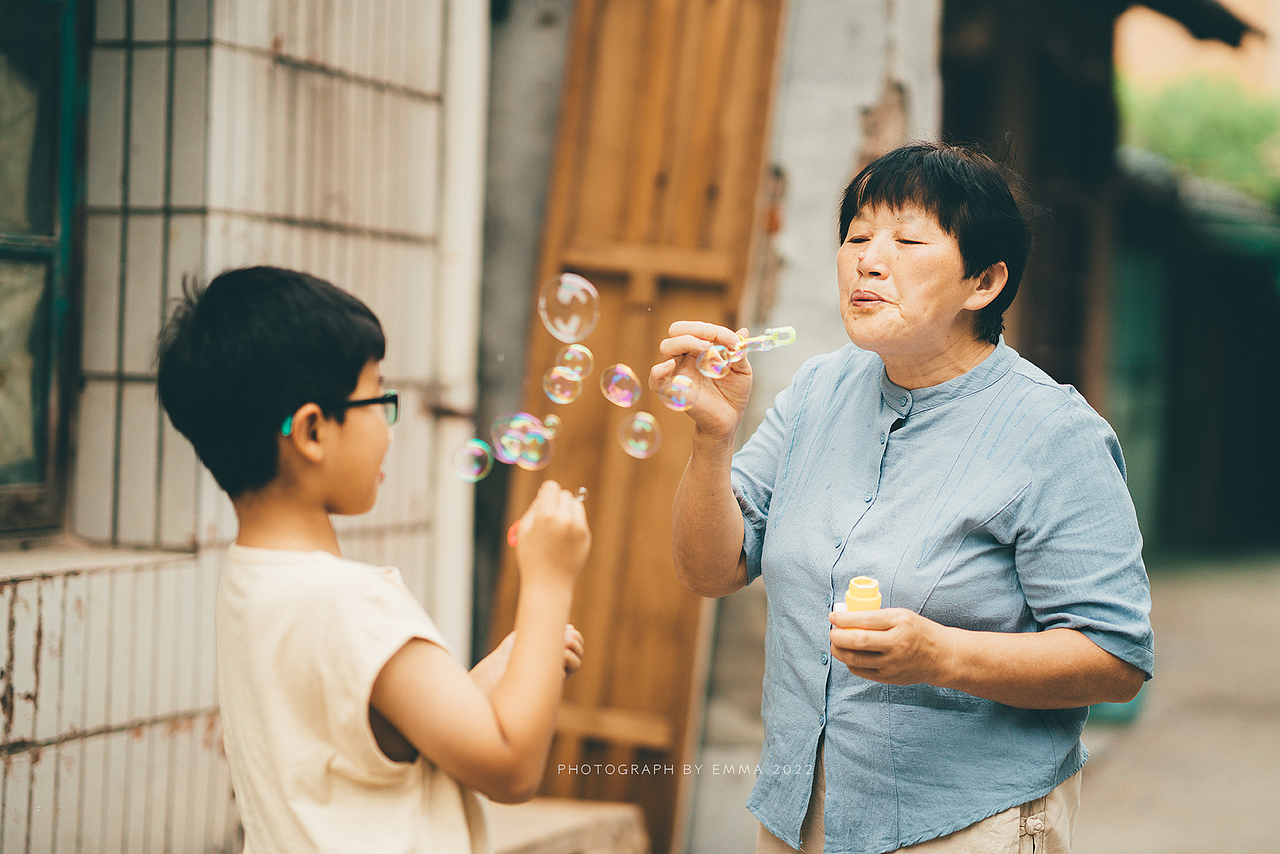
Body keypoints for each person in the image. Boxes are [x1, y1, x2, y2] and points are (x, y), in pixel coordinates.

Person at [649, 142, 1153, 854]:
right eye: (857, 237)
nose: (868, 260)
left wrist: (940, 654)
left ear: (984, 282)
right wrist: (712, 437)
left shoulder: (1055, 434)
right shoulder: (818, 391)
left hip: (964, 824)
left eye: (907, 241)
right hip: (797, 815)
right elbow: (710, 569)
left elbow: (1115, 658)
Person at [156, 266, 591, 854]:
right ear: (312, 431)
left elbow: (380, 738)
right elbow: (512, 768)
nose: (389, 431)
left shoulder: (252, 580)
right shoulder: (346, 602)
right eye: (379, 399)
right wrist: (548, 582)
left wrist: (509, 668)